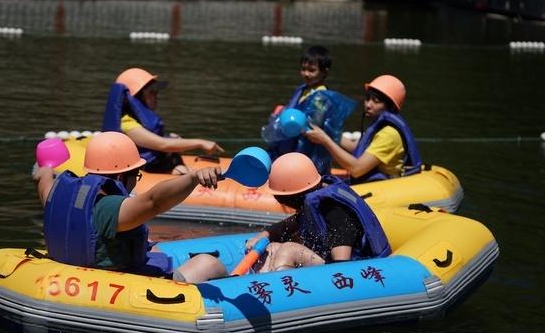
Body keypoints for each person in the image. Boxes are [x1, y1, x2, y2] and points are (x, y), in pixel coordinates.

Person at [33, 131, 227, 283]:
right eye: (136, 175)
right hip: (126, 289)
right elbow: (154, 201)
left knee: (155, 249)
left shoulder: (56, 196)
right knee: (207, 263)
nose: (136, 180)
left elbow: (43, 180)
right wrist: (193, 177)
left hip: (77, 277)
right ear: (121, 177)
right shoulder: (111, 209)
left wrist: (47, 166)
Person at [245, 152, 391, 272]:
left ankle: (279, 294)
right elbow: (285, 226)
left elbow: (342, 266)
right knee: (272, 248)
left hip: (358, 269)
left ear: (289, 197)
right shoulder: (313, 201)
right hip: (337, 264)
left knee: (289, 250)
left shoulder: (335, 212)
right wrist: (263, 235)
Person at [101, 68, 224, 175]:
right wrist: (200, 143)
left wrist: (171, 137)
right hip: (145, 170)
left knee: (179, 164)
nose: (157, 96)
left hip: (159, 163)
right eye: (152, 92)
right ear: (136, 98)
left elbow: (158, 142)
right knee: (182, 171)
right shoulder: (127, 124)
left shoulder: (136, 120)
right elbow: (163, 145)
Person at [304, 74, 422, 182]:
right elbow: (358, 148)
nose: (368, 105)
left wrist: (325, 140)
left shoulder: (389, 134)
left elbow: (356, 169)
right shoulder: (380, 125)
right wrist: (330, 133)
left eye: (376, 101)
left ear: (390, 107)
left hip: (383, 187)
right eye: (368, 98)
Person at [263, 46, 357, 175]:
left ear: (325, 71)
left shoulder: (321, 97)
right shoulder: (303, 89)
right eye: (303, 69)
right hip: (290, 144)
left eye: (312, 70)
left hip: (306, 150)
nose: (306, 74)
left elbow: (314, 124)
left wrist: (292, 122)